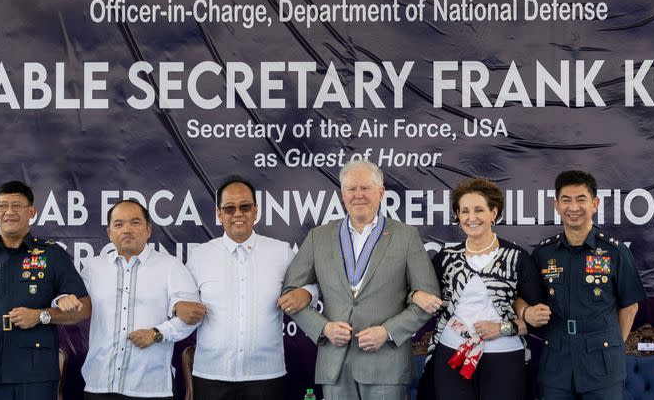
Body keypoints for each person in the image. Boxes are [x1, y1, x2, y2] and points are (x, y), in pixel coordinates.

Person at [282, 160, 440, 400]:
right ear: (342, 194)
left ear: (381, 192)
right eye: (351, 189)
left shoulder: (406, 236)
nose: (358, 195)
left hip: (386, 364)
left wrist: (388, 331)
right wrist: (323, 328)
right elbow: (290, 295)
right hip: (335, 365)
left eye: (365, 188)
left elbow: (429, 300)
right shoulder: (319, 236)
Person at [0, 180, 91, 400]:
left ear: (31, 212)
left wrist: (41, 316)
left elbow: (83, 309)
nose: (9, 212)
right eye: (3, 206)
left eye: (17, 205)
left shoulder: (52, 255)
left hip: (38, 374)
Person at [185, 175, 318, 400]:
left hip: (266, 377)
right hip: (210, 376)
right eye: (229, 208)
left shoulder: (281, 252)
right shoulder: (199, 256)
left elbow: (312, 284)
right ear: (219, 214)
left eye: (245, 207)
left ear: (255, 211)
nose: (238, 214)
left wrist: (307, 293)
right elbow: (180, 302)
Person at [413, 178, 543, 400]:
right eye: (464, 211)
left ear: (494, 212)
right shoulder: (446, 258)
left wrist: (501, 328)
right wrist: (416, 294)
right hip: (452, 354)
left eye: (479, 210)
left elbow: (536, 320)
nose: (471, 217)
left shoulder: (516, 258)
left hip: (503, 356)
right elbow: (417, 292)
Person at [523, 170, 646, 400]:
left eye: (581, 199)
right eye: (566, 200)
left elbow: (630, 307)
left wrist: (611, 348)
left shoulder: (615, 251)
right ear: (556, 205)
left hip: (603, 365)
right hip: (556, 364)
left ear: (595, 204)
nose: (573, 207)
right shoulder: (543, 253)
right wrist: (526, 312)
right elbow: (526, 298)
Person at [77, 199, 201, 399]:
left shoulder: (170, 267)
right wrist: (61, 299)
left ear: (148, 230)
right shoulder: (93, 268)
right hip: (99, 385)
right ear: (110, 233)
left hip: (150, 387)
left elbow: (192, 316)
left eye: (135, 223)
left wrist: (157, 333)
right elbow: (73, 304)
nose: (127, 229)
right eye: (119, 224)